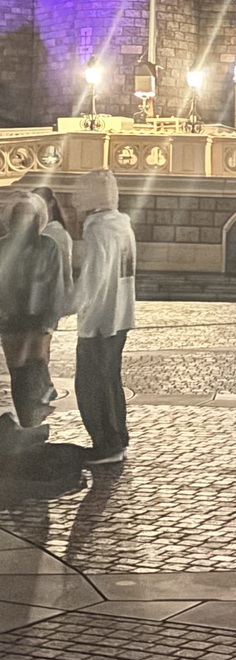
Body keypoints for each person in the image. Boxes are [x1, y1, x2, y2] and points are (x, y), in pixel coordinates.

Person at [73, 168, 136, 466]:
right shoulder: (121, 225)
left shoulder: (97, 228)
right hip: (119, 315)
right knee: (110, 380)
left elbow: (93, 278)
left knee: (90, 384)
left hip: (99, 321)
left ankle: (106, 444)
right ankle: (117, 438)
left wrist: (68, 306)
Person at [0, 193, 64, 427]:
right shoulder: (2, 246)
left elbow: (56, 286)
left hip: (38, 322)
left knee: (35, 372)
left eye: (28, 214)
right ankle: (27, 425)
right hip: (11, 321)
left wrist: (49, 322)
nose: (23, 219)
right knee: (18, 375)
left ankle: (35, 424)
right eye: (19, 214)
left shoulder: (48, 247)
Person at [34, 186, 75, 402]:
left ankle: (44, 385)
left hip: (48, 297)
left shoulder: (55, 234)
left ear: (50, 204)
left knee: (41, 345)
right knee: (39, 344)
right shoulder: (45, 232)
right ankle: (43, 384)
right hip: (42, 297)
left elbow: (62, 271)